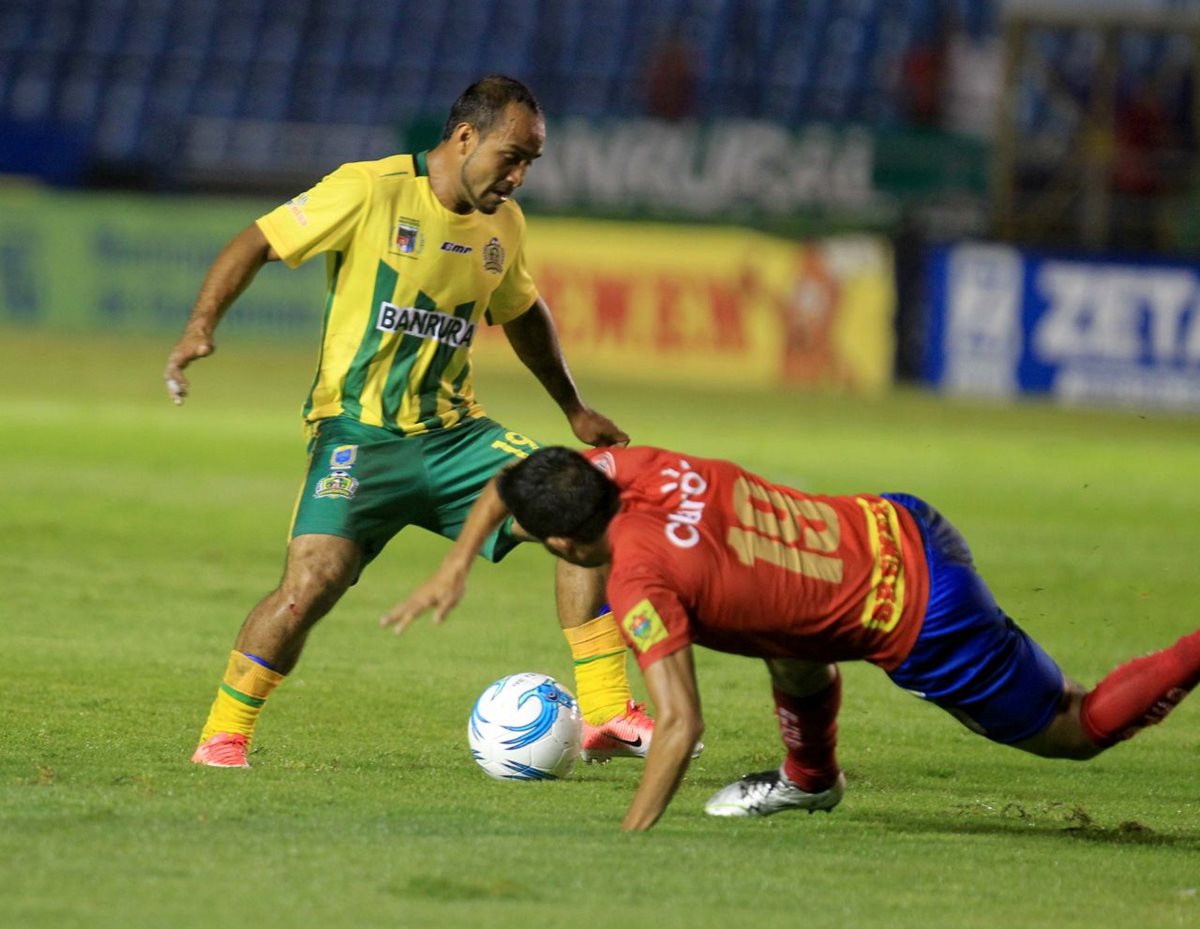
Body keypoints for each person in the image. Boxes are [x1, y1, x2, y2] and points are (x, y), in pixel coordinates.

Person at [164, 75, 662, 769]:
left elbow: (521, 311)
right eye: (512, 156)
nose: (518, 177)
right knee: (308, 587)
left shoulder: (503, 225)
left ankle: (606, 710)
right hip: (358, 441)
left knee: (584, 508)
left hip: (458, 440)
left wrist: (572, 407)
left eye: (531, 164)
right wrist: (200, 326)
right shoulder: (370, 189)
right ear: (464, 137)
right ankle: (222, 735)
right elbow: (257, 241)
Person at [384, 445, 1200, 832]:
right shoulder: (637, 467)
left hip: (922, 614)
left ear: (565, 544)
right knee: (790, 639)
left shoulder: (641, 582)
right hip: (897, 519)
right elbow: (514, 479)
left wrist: (627, 836)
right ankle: (810, 779)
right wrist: (456, 564)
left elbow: (679, 728)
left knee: (1075, 725)